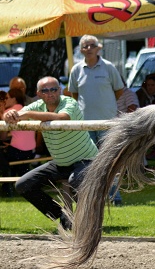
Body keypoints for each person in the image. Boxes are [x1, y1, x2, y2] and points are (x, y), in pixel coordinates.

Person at [3, 76, 98, 229]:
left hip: (87, 160)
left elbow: (62, 117)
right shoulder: (38, 106)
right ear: (38, 94)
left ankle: (87, 223)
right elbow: (15, 115)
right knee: (23, 185)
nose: (50, 93)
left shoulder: (69, 102)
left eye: (54, 89)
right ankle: (62, 216)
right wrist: (9, 114)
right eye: (45, 90)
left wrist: (26, 114)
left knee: (76, 180)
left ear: (60, 90)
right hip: (60, 163)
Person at [68, 35, 125, 145]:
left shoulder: (109, 66)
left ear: (98, 48)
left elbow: (119, 90)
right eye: (85, 46)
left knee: (108, 155)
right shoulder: (76, 69)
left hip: (107, 120)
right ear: (81, 50)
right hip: (85, 122)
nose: (89, 48)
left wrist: (107, 103)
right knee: (89, 156)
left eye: (92, 46)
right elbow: (74, 94)